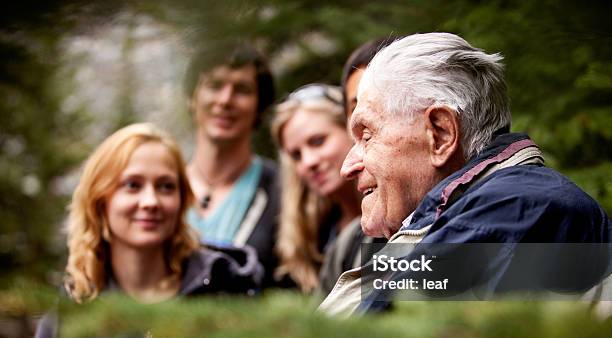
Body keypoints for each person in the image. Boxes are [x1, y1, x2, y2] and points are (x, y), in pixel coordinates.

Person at [319, 32, 610, 315]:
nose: (347, 167)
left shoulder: (516, 208)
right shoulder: (488, 209)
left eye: (367, 135)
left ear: (441, 134)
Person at [30, 123, 262, 338]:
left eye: (165, 186)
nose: (150, 201)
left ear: (181, 199)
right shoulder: (71, 313)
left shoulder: (226, 289)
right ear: (100, 200)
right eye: (132, 185)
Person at [184, 42, 281, 286]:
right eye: (214, 85)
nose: (225, 100)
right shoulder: (160, 189)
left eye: (242, 90)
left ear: (260, 107)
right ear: (192, 97)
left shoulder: (282, 191)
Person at [271, 84, 361, 294]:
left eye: (318, 141)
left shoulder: (400, 217)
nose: (308, 162)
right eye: (296, 155)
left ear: (352, 129)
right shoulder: (314, 237)